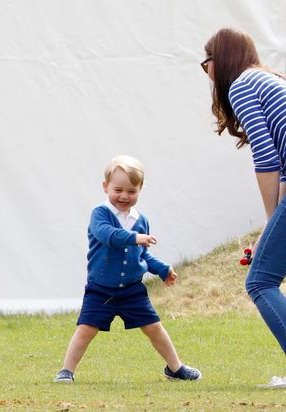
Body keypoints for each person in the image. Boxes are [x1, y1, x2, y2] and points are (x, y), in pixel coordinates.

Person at [53, 155, 202, 383]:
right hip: (101, 289)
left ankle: (175, 367)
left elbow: (142, 254)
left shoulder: (140, 220)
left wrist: (162, 270)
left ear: (140, 190)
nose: (124, 196)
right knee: (86, 328)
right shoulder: (100, 214)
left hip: (132, 289)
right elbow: (109, 236)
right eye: (118, 189)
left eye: (131, 191)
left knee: (154, 327)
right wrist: (135, 237)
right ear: (105, 187)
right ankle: (66, 371)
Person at [201, 27, 286, 387]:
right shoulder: (267, 79)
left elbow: (267, 160)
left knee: (260, 281)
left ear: (218, 60)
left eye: (205, 63)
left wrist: (271, 221)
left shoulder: (242, 85)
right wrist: (273, 226)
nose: (206, 72)